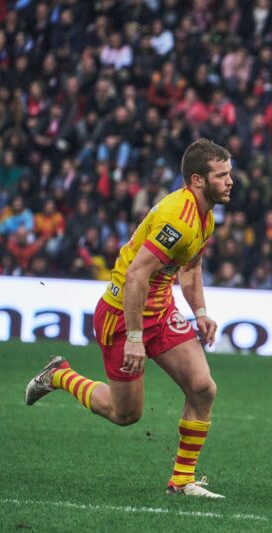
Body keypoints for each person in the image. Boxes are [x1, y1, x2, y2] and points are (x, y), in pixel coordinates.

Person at [24, 139, 233, 499]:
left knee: (202, 388)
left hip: (160, 309)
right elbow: (136, 275)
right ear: (198, 180)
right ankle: (58, 375)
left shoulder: (206, 217)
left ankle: (182, 481)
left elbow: (191, 267)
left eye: (230, 174)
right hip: (122, 316)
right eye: (222, 175)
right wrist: (135, 336)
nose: (231, 181)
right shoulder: (177, 219)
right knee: (125, 414)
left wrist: (200, 313)